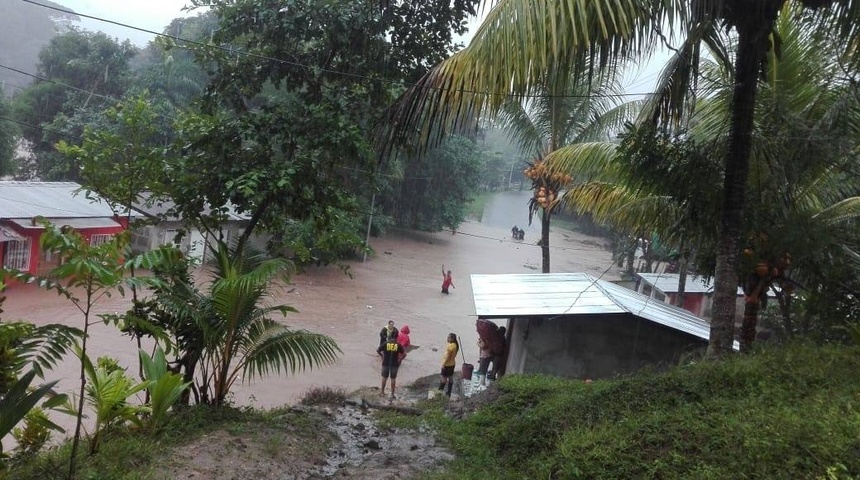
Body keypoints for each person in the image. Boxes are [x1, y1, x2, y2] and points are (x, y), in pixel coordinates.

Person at [377, 331, 405, 399]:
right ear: (397, 337)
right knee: (393, 379)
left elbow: (378, 350)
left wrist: (382, 356)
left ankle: (382, 392)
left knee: (384, 378)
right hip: (395, 364)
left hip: (386, 363)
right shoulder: (398, 344)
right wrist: (400, 359)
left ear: (389, 336)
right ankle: (392, 394)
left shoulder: (386, 343)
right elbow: (404, 354)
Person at [438, 333, 459, 397]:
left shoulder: (450, 346)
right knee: (450, 377)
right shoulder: (455, 345)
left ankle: (439, 391)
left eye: (449, 338)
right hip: (452, 364)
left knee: (443, 378)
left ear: (452, 339)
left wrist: (443, 364)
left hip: (447, 365)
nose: (447, 339)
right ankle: (449, 392)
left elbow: (447, 357)